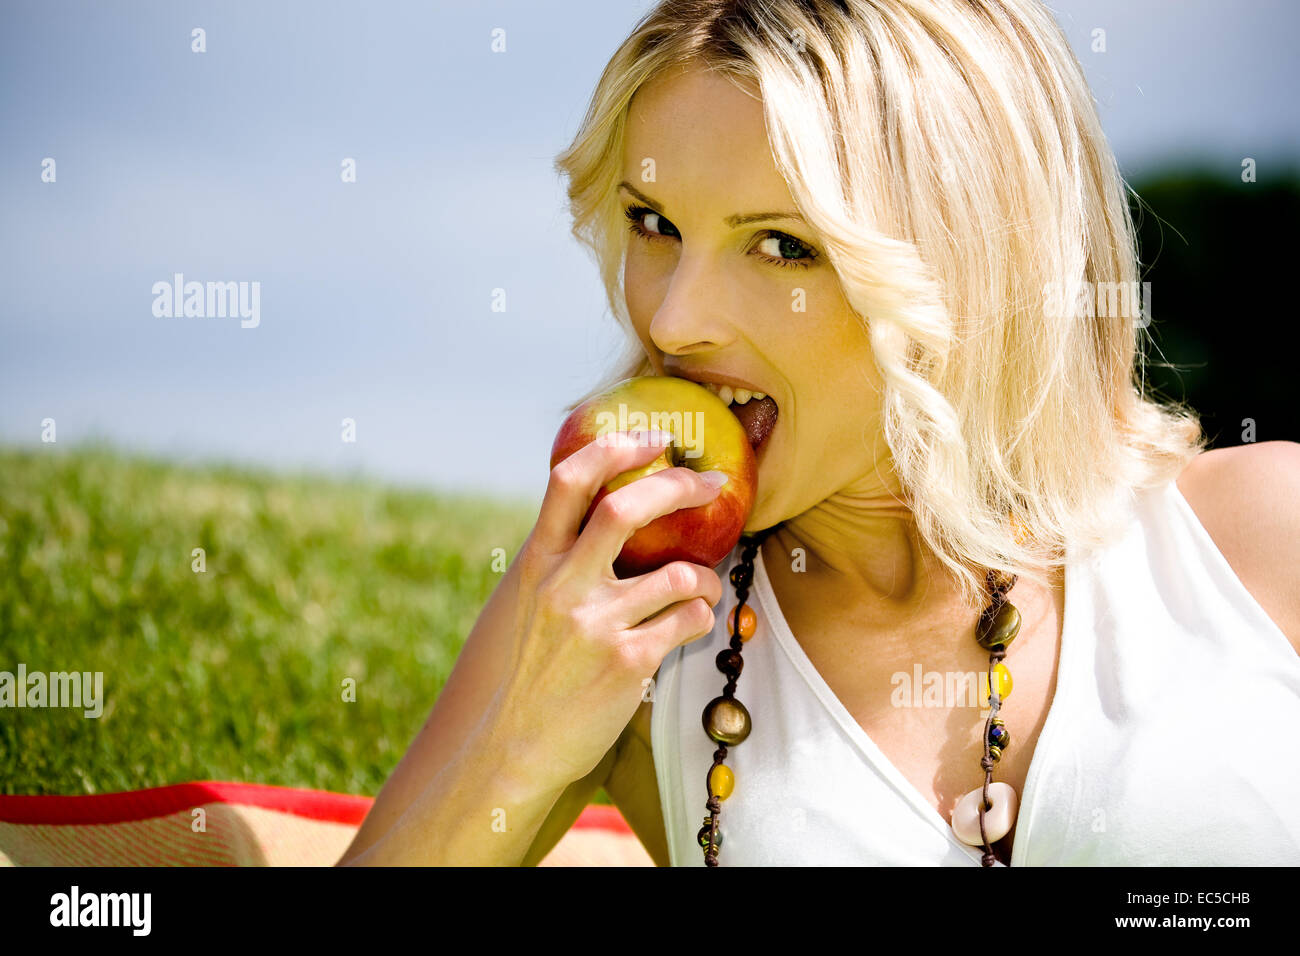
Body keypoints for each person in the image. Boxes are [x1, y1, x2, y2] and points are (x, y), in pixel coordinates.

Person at [337, 0, 1300, 866]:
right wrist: (517, 752)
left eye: (782, 244)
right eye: (653, 223)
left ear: (968, 262)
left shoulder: (1261, 536)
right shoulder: (619, 605)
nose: (673, 320)